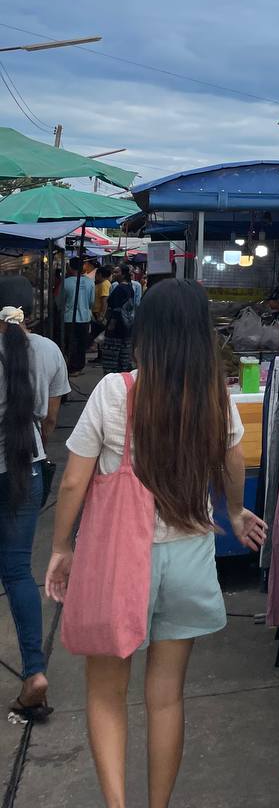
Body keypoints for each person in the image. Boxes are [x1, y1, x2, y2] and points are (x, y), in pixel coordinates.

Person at [45, 280, 267, 808]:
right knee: (166, 697)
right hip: (188, 556)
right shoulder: (213, 394)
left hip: (121, 561)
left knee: (106, 692)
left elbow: (74, 482)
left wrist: (60, 548)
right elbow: (233, 458)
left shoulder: (116, 391)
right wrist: (233, 512)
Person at [0, 277, 70, 720]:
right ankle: (34, 671)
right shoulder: (48, 350)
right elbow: (51, 416)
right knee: (19, 572)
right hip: (27, 470)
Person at [60, 255, 95, 376]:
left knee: (71, 343)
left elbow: (60, 302)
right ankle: (79, 367)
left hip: (69, 318)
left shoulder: (66, 283)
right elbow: (91, 302)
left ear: (70, 267)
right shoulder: (90, 283)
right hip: (85, 318)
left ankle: (72, 367)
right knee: (81, 343)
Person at [101, 264, 136, 374]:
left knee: (111, 360)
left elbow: (114, 308)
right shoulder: (129, 287)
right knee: (123, 359)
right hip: (127, 328)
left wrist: (109, 323)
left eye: (117, 272)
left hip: (116, 328)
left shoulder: (120, 288)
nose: (114, 274)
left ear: (123, 274)